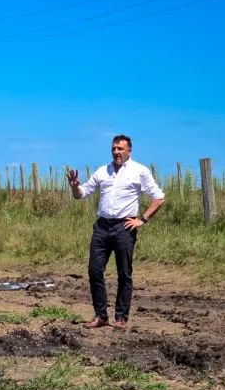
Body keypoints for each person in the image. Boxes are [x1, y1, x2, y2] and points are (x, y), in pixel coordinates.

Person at [67, 134, 164, 330]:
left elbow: (159, 197)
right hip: (102, 227)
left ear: (129, 150)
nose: (117, 152)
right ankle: (101, 315)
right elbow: (82, 194)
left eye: (120, 148)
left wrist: (142, 219)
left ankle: (121, 317)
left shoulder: (139, 171)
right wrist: (75, 186)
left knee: (124, 273)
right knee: (94, 271)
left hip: (124, 227)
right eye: (114, 149)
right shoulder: (103, 171)